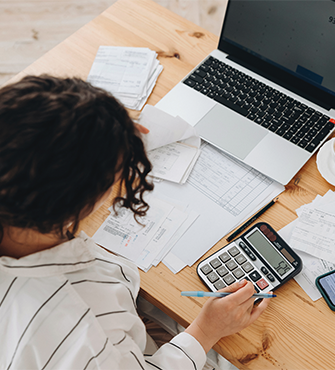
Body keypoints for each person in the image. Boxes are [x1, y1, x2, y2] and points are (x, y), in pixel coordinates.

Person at [0, 75, 271, 370]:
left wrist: (111, 130)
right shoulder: (78, 333)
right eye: (119, 171)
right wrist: (205, 331)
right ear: (77, 201)